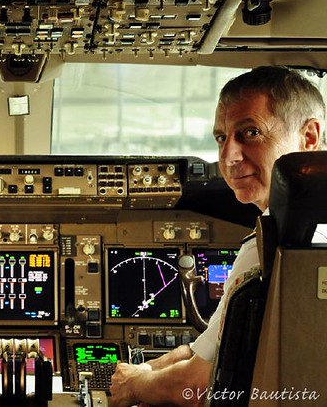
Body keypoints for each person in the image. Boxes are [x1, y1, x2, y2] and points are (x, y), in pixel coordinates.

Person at [109, 66, 326, 406]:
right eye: (222, 138)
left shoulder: (274, 245)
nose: (228, 157)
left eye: (250, 133)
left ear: (309, 136)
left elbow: (197, 387)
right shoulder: (298, 230)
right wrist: (147, 369)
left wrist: (133, 388)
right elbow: (206, 349)